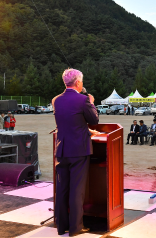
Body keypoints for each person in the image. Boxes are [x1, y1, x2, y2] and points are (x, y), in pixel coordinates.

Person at [53, 68, 99, 236]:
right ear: (78, 82)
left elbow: (69, 121)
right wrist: (92, 102)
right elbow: (94, 120)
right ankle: (76, 228)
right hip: (78, 150)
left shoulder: (56, 100)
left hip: (62, 149)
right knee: (76, 191)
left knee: (62, 189)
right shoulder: (83, 100)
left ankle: (61, 227)